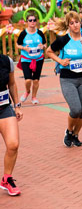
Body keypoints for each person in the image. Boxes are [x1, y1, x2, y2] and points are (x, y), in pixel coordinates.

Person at [46, 11, 82, 147]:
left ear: (81, 23)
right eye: (72, 23)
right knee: (75, 109)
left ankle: (76, 135)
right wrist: (60, 61)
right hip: (68, 79)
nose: (75, 25)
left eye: (77, 22)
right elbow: (48, 51)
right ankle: (69, 131)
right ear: (68, 25)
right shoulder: (63, 40)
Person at [0, 54, 23, 196]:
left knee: (13, 144)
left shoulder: (6, 61)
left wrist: (17, 105)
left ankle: (6, 179)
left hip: (4, 108)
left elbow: (12, 84)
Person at [16, 13, 46, 104]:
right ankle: (27, 91)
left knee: (36, 80)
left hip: (38, 59)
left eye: (34, 20)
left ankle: (34, 97)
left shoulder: (40, 33)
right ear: (27, 22)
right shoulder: (23, 33)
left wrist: (42, 46)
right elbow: (18, 44)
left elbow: (45, 44)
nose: (32, 22)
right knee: (28, 80)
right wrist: (24, 48)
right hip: (26, 59)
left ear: (36, 22)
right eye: (30, 20)